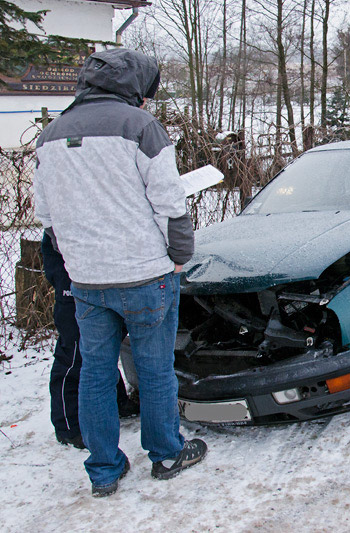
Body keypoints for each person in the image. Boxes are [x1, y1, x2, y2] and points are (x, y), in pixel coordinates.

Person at [33, 48, 207, 497]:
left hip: (87, 280)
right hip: (146, 274)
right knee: (154, 370)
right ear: (133, 87)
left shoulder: (51, 134)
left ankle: (104, 469)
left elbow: (46, 214)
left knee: (94, 373)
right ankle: (167, 453)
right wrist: (179, 255)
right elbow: (169, 201)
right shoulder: (141, 126)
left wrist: (75, 258)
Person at [41, 232, 139, 450]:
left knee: (104, 340)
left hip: (104, 263)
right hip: (73, 263)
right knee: (75, 347)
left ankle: (117, 401)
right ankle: (69, 425)